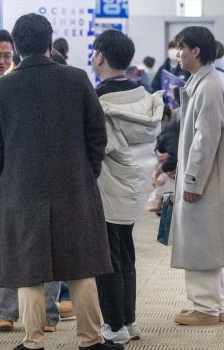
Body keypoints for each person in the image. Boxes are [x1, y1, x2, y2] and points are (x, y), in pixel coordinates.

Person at [0, 14, 117, 350]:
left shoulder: (0, 89)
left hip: (19, 190)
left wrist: (1, 187)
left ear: (16, 46)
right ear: (49, 41)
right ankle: (91, 339)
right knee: (81, 265)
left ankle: (33, 341)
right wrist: (86, 173)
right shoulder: (76, 78)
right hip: (74, 185)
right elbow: (97, 134)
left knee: (28, 269)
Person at [168, 26, 224, 326]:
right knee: (204, 241)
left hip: (205, 180)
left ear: (196, 51)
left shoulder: (208, 86)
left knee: (200, 242)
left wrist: (192, 180)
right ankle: (212, 304)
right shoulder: (204, 82)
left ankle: (205, 307)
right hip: (207, 178)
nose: (178, 54)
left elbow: (205, 140)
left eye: (181, 47)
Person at [92, 29, 163, 345]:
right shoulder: (145, 98)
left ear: (100, 56)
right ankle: (129, 320)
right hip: (136, 186)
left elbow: (93, 148)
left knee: (108, 258)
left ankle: (114, 324)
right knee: (126, 253)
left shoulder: (98, 100)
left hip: (107, 189)